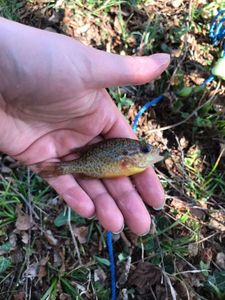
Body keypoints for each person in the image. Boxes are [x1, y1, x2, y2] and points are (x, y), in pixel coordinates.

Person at [0, 17, 170, 236]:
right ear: (131, 154)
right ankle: (58, 169)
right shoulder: (128, 160)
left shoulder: (130, 161)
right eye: (146, 149)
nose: (150, 152)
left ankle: (58, 169)